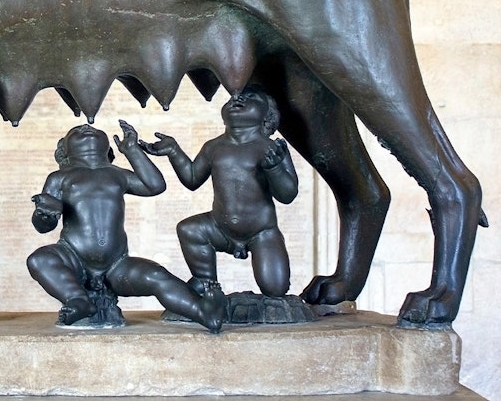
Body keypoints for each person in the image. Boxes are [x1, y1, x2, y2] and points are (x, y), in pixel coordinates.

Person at [27, 121, 224, 332]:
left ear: (108, 149)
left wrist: (132, 150)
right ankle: (77, 299)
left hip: (117, 265)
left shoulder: (117, 174)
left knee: (156, 276)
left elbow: (154, 185)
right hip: (73, 257)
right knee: (39, 259)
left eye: (93, 129)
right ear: (64, 151)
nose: (86, 127)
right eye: (75, 131)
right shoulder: (60, 177)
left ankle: (204, 313)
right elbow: (43, 227)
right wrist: (45, 213)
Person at [143, 86, 299, 298]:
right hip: (219, 227)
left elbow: (287, 195)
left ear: (267, 116)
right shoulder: (213, 147)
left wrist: (275, 168)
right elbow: (191, 179)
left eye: (250, 97)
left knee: (275, 289)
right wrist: (174, 151)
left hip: (261, 231)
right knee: (189, 229)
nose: (238, 99)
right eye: (233, 98)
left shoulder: (270, 148)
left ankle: (269, 283)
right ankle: (205, 281)